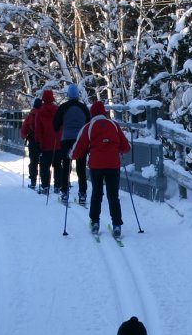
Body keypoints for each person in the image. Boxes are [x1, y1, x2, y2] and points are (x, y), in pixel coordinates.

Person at [72, 100, 131, 237]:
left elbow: (80, 146)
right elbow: (126, 147)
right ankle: (117, 225)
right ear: (104, 112)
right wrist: (116, 148)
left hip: (96, 165)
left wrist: (71, 155)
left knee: (97, 194)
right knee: (113, 195)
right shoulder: (114, 125)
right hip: (113, 164)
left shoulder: (89, 126)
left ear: (92, 113)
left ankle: (95, 222)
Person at [53, 84, 91, 205]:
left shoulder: (63, 107)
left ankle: (64, 192)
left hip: (66, 139)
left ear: (68, 95)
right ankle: (82, 193)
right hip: (81, 140)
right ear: (78, 95)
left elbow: (56, 124)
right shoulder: (83, 107)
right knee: (81, 168)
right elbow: (89, 123)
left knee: (66, 166)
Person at [30, 89, 61, 195]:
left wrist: (38, 142)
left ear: (43, 98)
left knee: (44, 166)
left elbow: (38, 129)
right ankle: (57, 186)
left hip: (45, 144)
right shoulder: (57, 110)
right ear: (52, 98)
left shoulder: (39, 112)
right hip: (57, 143)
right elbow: (61, 126)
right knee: (57, 166)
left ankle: (45, 186)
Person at [20, 97, 43, 189]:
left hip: (33, 141)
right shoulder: (44, 114)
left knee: (33, 162)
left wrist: (24, 136)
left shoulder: (30, 115)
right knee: (44, 162)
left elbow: (24, 128)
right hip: (43, 141)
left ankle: (33, 181)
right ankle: (44, 183)